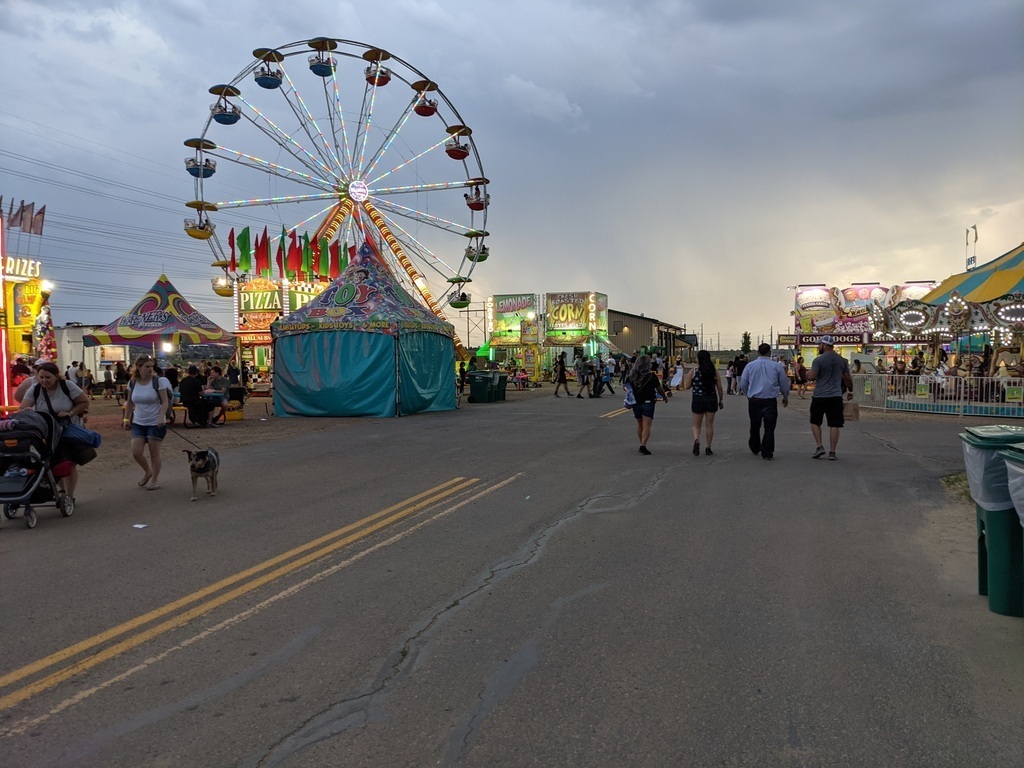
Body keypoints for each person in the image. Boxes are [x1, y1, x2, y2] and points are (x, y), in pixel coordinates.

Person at [19, 361, 92, 503]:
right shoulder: (35, 389)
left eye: (48, 377)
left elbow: (84, 402)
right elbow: (22, 407)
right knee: (51, 462)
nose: (44, 381)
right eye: (41, 377)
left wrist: (70, 412)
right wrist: (26, 410)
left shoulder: (67, 386)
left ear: (56, 377)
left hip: (67, 430)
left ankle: (70, 495)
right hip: (47, 432)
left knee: (69, 463)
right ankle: (61, 491)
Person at [123, 356, 172, 490]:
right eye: (147, 366)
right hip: (138, 422)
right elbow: (130, 403)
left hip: (155, 422)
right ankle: (148, 471)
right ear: (139, 367)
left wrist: (161, 416)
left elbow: (165, 401)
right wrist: (126, 419)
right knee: (136, 451)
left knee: (154, 453)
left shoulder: (158, 382)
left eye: (152, 366)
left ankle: (154, 479)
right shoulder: (132, 382)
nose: (151, 369)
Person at [804, 334, 853, 460]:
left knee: (815, 421)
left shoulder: (818, 360)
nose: (818, 346)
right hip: (836, 395)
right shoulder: (842, 360)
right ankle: (832, 452)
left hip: (820, 395)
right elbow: (847, 378)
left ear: (825, 345)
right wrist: (850, 390)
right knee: (835, 424)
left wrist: (807, 373)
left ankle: (820, 446)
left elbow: (811, 376)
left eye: (819, 344)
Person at [739, 343, 791, 461]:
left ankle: (755, 446)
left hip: (754, 400)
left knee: (755, 425)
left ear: (758, 352)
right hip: (770, 401)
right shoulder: (776, 366)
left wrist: (748, 393)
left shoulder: (750, 366)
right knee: (769, 428)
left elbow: (743, 383)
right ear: (769, 352)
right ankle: (767, 452)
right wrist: (785, 396)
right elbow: (784, 383)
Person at [684, 350, 723, 455]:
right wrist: (721, 400)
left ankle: (696, 439)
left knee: (697, 425)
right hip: (711, 399)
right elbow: (719, 387)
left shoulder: (694, 371)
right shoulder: (714, 371)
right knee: (709, 425)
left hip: (698, 399)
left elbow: (687, 386)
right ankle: (708, 447)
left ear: (699, 359)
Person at [627, 354, 668, 455]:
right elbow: (659, 388)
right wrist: (664, 397)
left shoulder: (632, 376)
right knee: (647, 425)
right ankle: (643, 445)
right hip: (648, 402)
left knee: (639, 424)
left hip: (636, 403)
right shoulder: (651, 376)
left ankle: (642, 443)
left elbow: (627, 387)